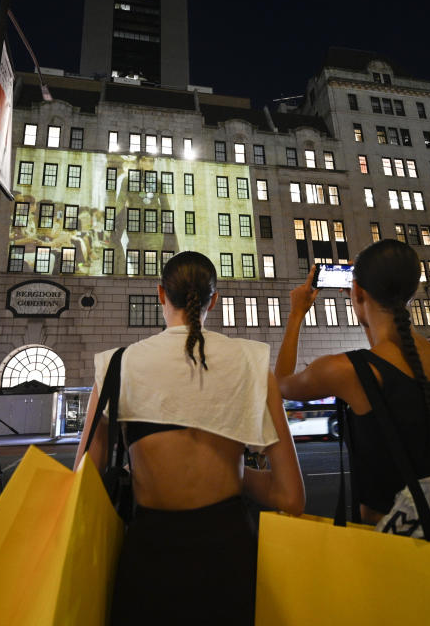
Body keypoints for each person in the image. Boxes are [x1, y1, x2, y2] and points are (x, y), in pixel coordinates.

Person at [75, 251, 304, 626]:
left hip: (148, 558)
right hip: (231, 555)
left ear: (160, 295)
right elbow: (290, 498)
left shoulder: (118, 365)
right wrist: (232, 474)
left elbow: (81, 486)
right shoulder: (251, 362)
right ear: (214, 299)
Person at [275, 240, 430, 527]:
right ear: (412, 291)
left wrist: (296, 314)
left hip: (386, 541)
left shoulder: (345, 370)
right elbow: (386, 353)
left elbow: (281, 384)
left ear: (357, 291)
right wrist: (363, 307)